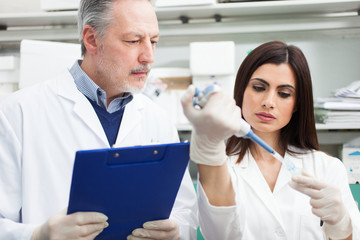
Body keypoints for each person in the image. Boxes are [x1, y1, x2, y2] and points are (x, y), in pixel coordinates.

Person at [0, 0, 198, 239]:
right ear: (92, 39)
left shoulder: (157, 118)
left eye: (153, 41)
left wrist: (175, 230)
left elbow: (184, 209)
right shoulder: (18, 112)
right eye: (133, 41)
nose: (149, 56)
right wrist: (37, 235)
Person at [181, 41, 360, 240]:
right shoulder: (221, 167)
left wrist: (341, 224)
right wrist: (209, 147)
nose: (269, 102)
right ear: (241, 91)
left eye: (284, 93)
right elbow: (219, 234)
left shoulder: (328, 168)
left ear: (297, 104)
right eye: (259, 87)